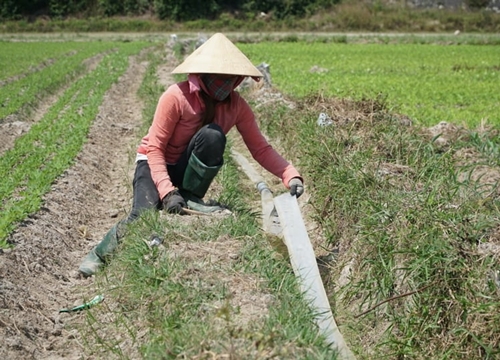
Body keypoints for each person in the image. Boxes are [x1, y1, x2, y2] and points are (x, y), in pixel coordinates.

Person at [79, 33, 304, 277]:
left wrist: (289, 174)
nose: (226, 84)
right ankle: (99, 255)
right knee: (143, 214)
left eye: (231, 79)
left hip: (186, 166)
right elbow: (155, 148)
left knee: (213, 136)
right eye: (220, 78)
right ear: (204, 74)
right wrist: (166, 192)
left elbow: (260, 148)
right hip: (155, 163)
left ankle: (190, 194)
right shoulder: (176, 97)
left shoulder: (236, 105)